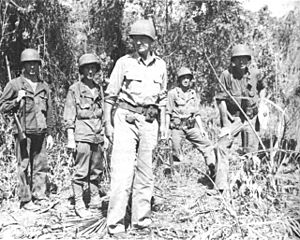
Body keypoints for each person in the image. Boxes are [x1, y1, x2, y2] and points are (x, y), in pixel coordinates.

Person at [104, 19, 167, 237]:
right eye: (135, 38)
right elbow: (110, 96)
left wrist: (164, 126)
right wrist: (108, 124)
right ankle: (115, 225)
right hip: (125, 119)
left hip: (150, 122)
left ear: (152, 42)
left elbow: (163, 99)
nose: (139, 42)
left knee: (145, 173)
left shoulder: (161, 65)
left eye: (144, 39)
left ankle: (141, 222)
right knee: (122, 173)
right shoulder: (124, 62)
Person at [0, 48, 54, 210]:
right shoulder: (15, 84)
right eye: (29, 64)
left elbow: (50, 111)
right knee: (23, 166)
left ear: (39, 66)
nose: (32, 67)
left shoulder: (44, 86)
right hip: (23, 131)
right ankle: (25, 199)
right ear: (23, 66)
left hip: (41, 132)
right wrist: (17, 99)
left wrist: (50, 134)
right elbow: (2, 106)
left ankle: (40, 195)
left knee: (41, 166)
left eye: (35, 64)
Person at [215, 44, 266, 190]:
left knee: (250, 152)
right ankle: (221, 186)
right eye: (238, 59)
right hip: (234, 118)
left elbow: (263, 88)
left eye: (244, 58)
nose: (241, 62)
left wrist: (262, 104)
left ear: (248, 59)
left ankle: (249, 185)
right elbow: (221, 100)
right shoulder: (226, 75)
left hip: (251, 117)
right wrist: (225, 125)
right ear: (233, 60)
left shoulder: (255, 73)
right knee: (221, 146)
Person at [63, 53, 104, 218]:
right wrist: (71, 139)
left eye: (93, 67)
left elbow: (103, 114)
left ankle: (94, 198)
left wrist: (106, 135)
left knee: (96, 170)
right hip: (82, 136)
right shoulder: (74, 89)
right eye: (87, 67)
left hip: (97, 135)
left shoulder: (99, 88)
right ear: (82, 70)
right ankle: (79, 202)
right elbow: (69, 115)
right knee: (81, 171)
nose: (90, 71)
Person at [166, 67, 215, 178]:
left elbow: (196, 113)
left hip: (190, 127)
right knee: (175, 151)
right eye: (183, 78)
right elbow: (168, 112)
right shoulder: (172, 94)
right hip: (177, 128)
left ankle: (213, 169)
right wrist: (166, 130)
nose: (186, 80)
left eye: (188, 78)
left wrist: (202, 130)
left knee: (206, 145)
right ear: (179, 80)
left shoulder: (193, 94)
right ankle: (176, 176)